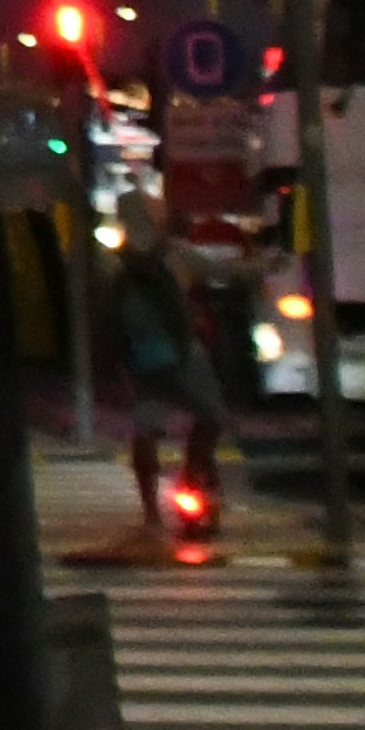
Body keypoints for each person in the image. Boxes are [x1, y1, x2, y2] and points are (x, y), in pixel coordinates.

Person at [105, 190, 229, 539]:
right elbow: (224, 269)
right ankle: (193, 480)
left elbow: (104, 314)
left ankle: (151, 514)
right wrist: (267, 264)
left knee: (145, 429)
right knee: (210, 418)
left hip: (140, 360)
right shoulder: (175, 254)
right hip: (181, 353)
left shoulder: (114, 261)